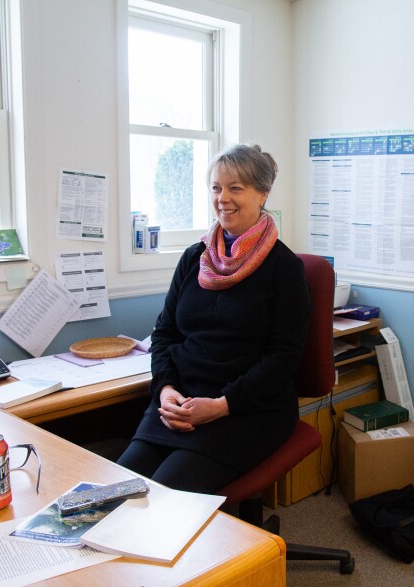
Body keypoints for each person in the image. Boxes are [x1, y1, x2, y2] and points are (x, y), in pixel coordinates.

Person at [117, 144, 310, 495]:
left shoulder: (284, 269)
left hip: (248, 411)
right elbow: (164, 334)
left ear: (263, 193)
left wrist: (222, 406)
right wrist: (165, 389)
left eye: (236, 188)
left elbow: (284, 358)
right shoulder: (195, 257)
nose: (223, 198)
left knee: (162, 499)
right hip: (181, 404)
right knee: (116, 487)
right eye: (216, 187)